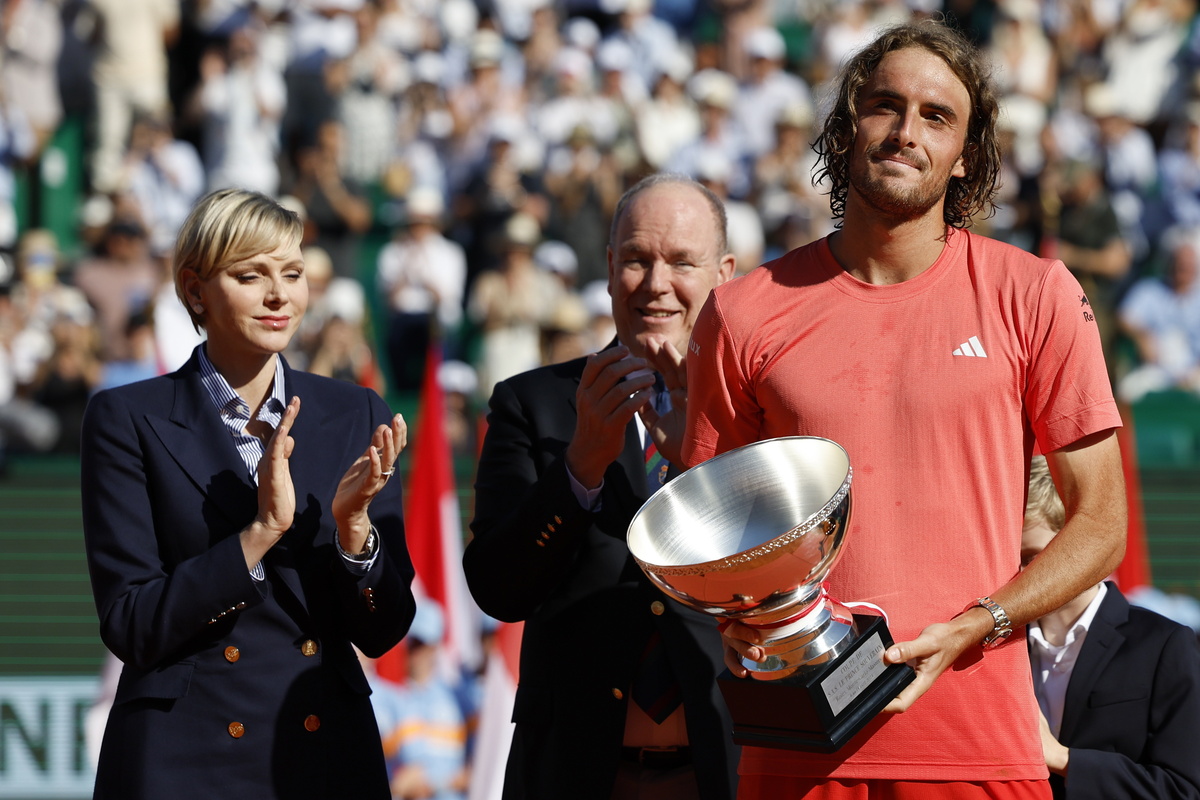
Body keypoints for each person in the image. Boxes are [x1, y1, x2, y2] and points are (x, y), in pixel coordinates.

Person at [686, 21, 1127, 799]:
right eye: (885, 106)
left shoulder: (1037, 296)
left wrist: (980, 622)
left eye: (936, 116)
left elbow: (1101, 524)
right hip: (798, 751)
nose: (905, 132)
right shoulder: (742, 312)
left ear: (966, 155)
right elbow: (709, 531)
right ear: (847, 125)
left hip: (980, 747)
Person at [79, 188, 418, 799]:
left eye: (292, 273)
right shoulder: (126, 416)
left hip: (322, 754)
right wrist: (257, 535)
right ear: (193, 289)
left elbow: (386, 629)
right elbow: (129, 623)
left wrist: (354, 533)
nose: (278, 295)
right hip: (181, 758)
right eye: (249, 275)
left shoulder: (354, 411)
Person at [463, 173, 740, 800]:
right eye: (637, 259)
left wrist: (701, 456)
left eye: (681, 262)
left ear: (725, 273)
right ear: (611, 266)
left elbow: (791, 580)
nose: (656, 283)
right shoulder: (531, 404)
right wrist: (579, 469)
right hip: (575, 769)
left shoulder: (757, 410)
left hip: (727, 763)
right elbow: (498, 588)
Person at [1022, 455, 1200, 800]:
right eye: (1009, 559)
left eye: (1032, 557)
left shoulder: (1164, 645)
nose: (1019, 576)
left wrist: (1063, 759)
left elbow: (1185, 789)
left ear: (1085, 545)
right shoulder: (994, 648)